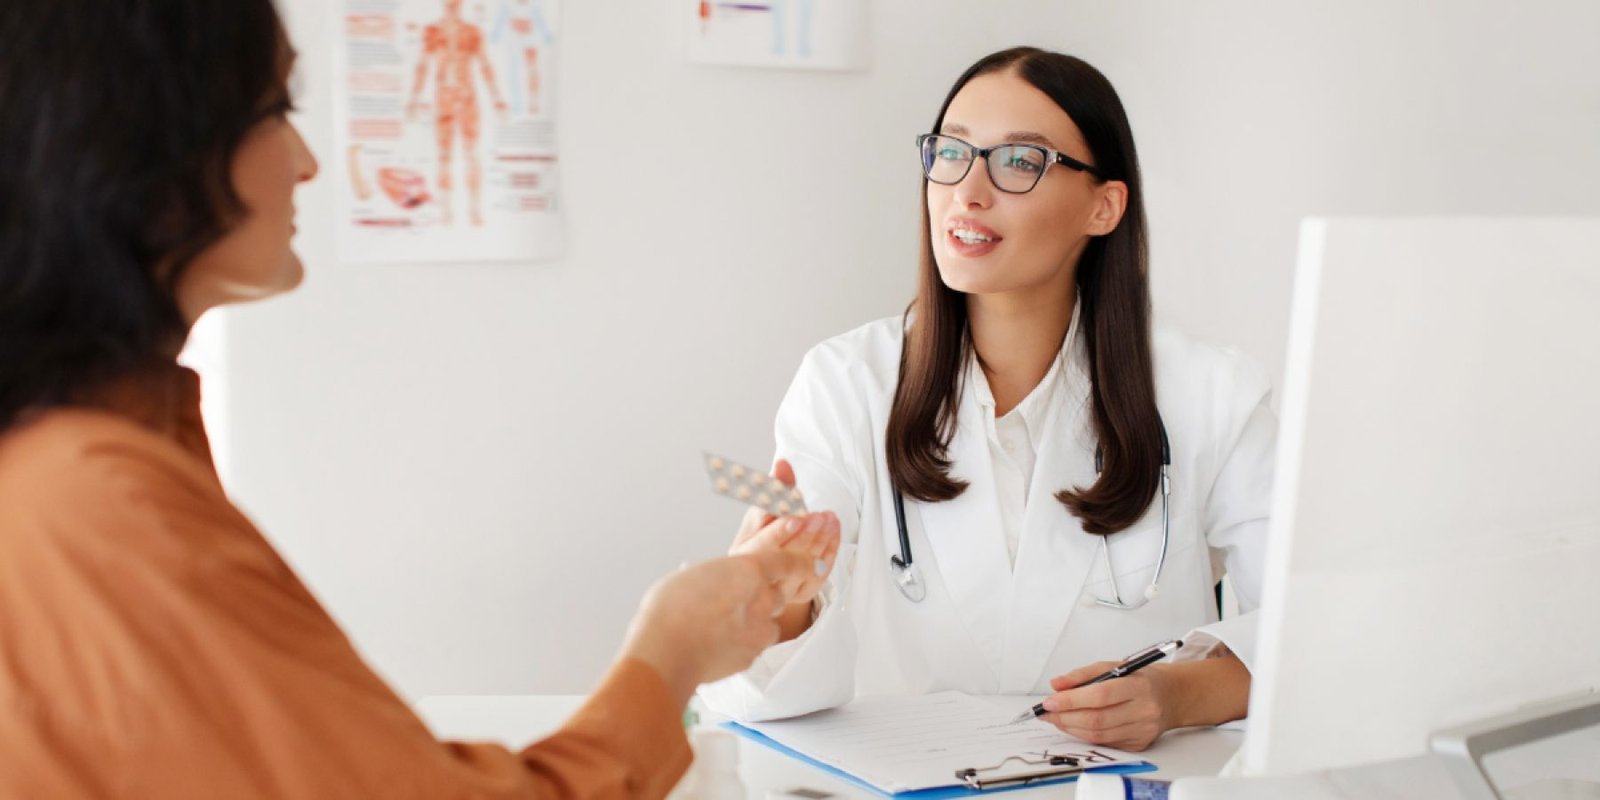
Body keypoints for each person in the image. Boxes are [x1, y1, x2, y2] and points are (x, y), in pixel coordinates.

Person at [0, 1, 839, 797]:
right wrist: (671, 651)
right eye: (274, 110)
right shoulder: (99, 502)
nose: (308, 162)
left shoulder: (90, 466)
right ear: (143, 152)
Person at [702, 47, 1274, 752]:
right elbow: (768, 680)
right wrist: (781, 597)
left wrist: (1175, 695)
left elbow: (1312, 635)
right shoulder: (846, 382)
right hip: (910, 783)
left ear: (1103, 206)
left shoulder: (1213, 395)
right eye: (952, 152)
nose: (967, 192)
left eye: (1018, 162)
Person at [407, 0, 509, 226]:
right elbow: (423, 65)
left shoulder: (472, 32)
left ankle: (474, 210)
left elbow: (484, 64)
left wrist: (497, 99)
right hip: (444, 96)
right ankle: (447, 212)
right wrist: (414, 99)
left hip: (467, 96)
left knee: (471, 153)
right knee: (445, 155)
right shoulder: (433, 31)